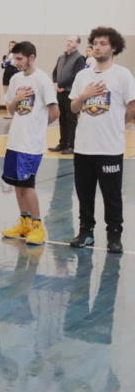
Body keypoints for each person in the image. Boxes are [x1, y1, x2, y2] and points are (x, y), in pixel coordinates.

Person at [68, 27, 135, 253]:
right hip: (84, 147)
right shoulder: (82, 76)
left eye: (103, 43)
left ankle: (114, 235)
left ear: (114, 47)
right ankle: (86, 233)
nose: (97, 46)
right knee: (84, 194)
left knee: (112, 195)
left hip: (109, 147)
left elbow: (132, 106)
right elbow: (73, 107)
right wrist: (85, 95)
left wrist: (117, 124)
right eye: (95, 42)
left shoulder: (122, 75)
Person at [0, 42, 58, 245]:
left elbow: (55, 112)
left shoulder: (42, 80)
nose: (16, 62)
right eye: (14, 58)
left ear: (31, 57)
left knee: (27, 184)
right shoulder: (15, 79)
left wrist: (38, 128)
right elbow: (11, 110)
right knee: (16, 183)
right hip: (15, 140)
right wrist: (17, 98)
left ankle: (37, 226)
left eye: (19, 59)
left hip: (31, 144)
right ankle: (24, 222)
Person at [50, 35, 86, 155]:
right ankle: (63, 143)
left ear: (78, 44)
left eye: (72, 41)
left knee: (71, 119)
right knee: (62, 118)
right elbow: (55, 72)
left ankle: (72, 145)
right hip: (60, 92)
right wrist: (56, 83)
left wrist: (61, 84)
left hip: (71, 93)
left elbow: (76, 75)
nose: (69, 43)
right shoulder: (61, 57)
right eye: (68, 41)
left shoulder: (80, 58)